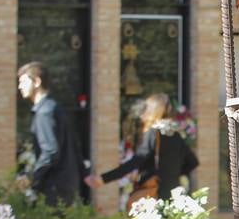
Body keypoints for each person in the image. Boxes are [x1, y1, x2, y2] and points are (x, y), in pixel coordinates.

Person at [86, 93, 198, 205]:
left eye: (146, 110)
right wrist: (172, 174)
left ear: (152, 112)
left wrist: (103, 179)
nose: (142, 115)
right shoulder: (176, 135)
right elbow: (193, 162)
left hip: (153, 197)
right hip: (173, 197)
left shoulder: (153, 133)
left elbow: (136, 161)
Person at [17, 62, 82, 204]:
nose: (19, 86)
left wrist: (31, 177)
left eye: (23, 81)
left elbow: (50, 151)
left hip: (53, 187)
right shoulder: (53, 107)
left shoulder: (44, 112)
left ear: (37, 82)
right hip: (65, 184)